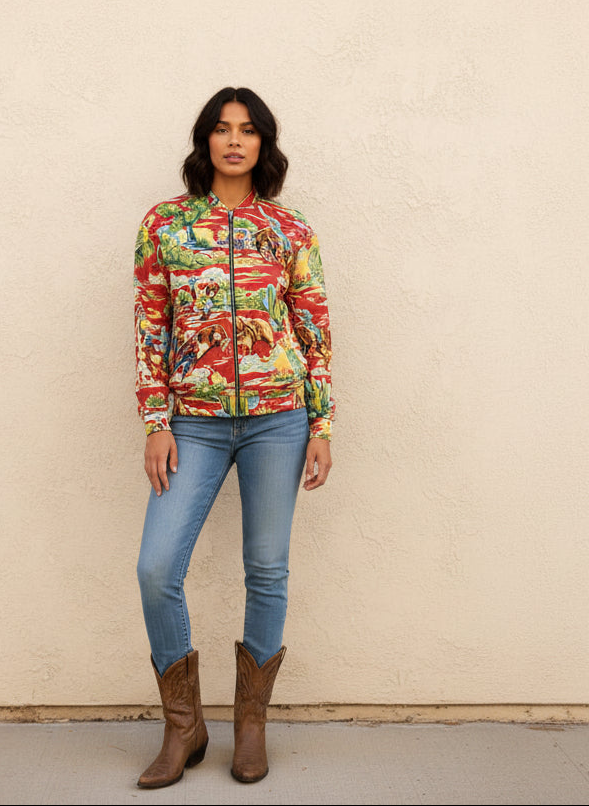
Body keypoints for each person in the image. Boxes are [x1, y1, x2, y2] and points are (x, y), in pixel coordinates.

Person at [133, 86, 335, 789]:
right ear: (205, 141)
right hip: (193, 420)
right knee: (158, 567)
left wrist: (321, 423)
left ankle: (252, 723)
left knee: (267, 568)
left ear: (263, 144)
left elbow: (312, 330)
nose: (234, 140)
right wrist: (157, 420)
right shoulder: (165, 225)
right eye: (222, 129)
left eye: (247, 130)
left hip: (280, 418)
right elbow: (150, 327)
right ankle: (183, 724)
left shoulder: (290, 229)